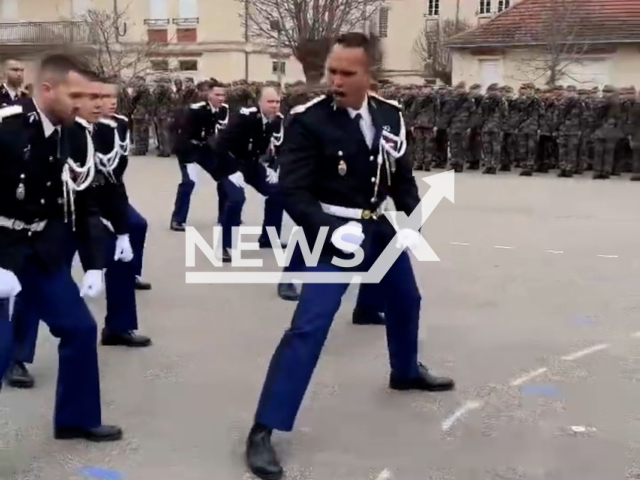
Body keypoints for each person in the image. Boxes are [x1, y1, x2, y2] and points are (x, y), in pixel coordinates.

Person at [245, 33, 454, 480]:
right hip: (332, 233)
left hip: (377, 227)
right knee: (309, 326)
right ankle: (264, 428)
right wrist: (329, 230)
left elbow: (400, 176)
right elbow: (292, 192)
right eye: (331, 71)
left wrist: (414, 222)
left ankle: (404, 371)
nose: (335, 80)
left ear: (370, 75)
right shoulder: (308, 121)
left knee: (406, 301)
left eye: (346, 73)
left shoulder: (390, 115)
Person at [0, 53, 122, 441]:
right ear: (48, 89)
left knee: (80, 328)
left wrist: (95, 264)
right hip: (1, 249)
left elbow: (82, 202)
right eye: (76, 94)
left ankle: (76, 418)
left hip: (40, 250)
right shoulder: (7, 128)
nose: (85, 103)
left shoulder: (73, 133)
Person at [209, 86, 283, 263]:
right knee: (236, 199)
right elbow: (219, 144)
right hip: (230, 164)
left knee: (278, 192)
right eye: (270, 102)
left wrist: (273, 167)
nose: (275, 105)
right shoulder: (245, 117)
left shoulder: (276, 120)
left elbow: (279, 147)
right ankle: (225, 246)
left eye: (277, 102)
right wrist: (232, 171)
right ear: (260, 103)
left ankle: (268, 238)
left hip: (251, 164)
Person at [170, 80, 228, 231]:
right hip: (188, 149)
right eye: (217, 95)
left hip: (205, 149)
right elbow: (181, 134)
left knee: (225, 177)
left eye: (223, 95)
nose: (221, 98)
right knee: (189, 182)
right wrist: (188, 158)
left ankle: (225, 216)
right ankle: (177, 220)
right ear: (208, 95)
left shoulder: (223, 110)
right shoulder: (195, 110)